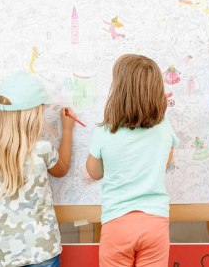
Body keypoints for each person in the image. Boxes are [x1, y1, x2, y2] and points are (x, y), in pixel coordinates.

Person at [0, 71, 78, 267]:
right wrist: (67, 130)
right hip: (44, 252)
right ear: (32, 115)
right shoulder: (42, 149)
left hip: (5, 255)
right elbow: (62, 169)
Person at [86, 54, 177, 267]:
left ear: (118, 91)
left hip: (116, 222)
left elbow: (94, 172)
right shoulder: (164, 128)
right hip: (155, 222)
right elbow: (165, 161)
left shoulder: (105, 131)